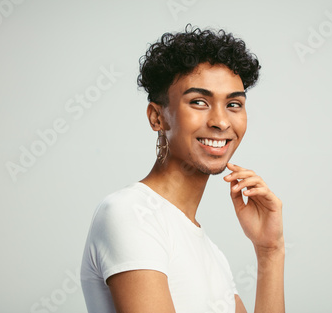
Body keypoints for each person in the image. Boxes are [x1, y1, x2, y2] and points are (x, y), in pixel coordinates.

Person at [80, 24, 285, 313]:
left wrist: (269, 252)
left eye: (234, 104)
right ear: (157, 117)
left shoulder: (212, 254)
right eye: (199, 102)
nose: (221, 122)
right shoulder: (130, 213)